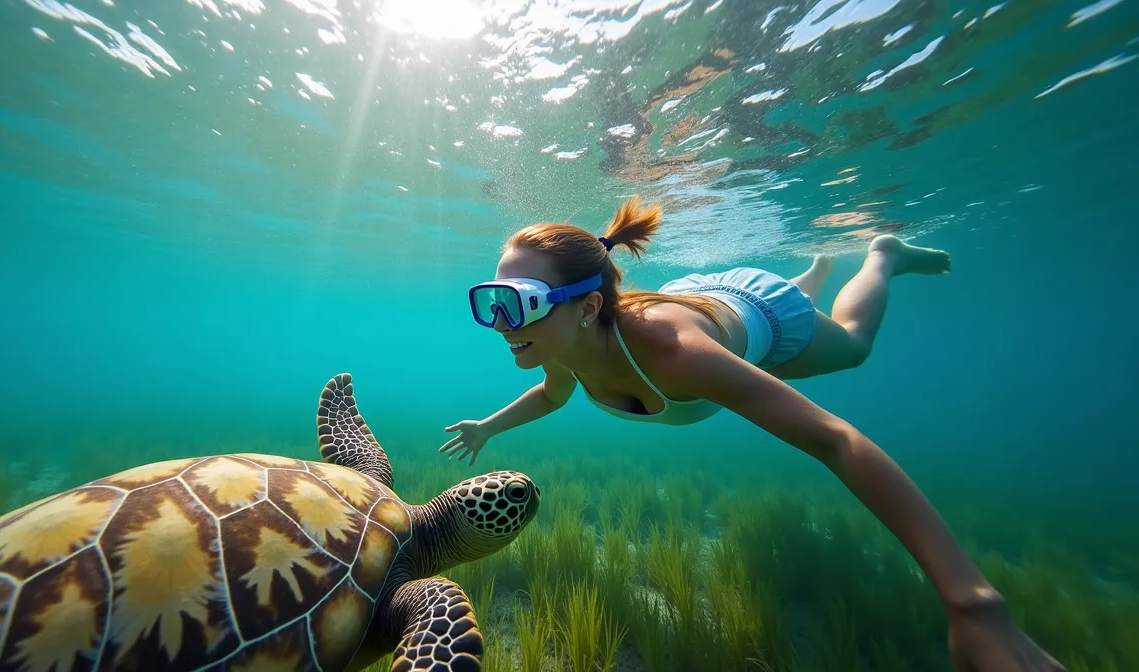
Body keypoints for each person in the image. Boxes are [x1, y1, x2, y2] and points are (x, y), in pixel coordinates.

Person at [439, 196, 1064, 671]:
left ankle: (882, 255)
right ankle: (811, 278)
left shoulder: (676, 356)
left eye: (518, 300)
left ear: (589, 305)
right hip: (699, 304)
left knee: (852, 345)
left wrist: (973, 603)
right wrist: (488, 427)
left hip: (759, 312)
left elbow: (837, 440)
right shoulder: (560, 340)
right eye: (492, 300)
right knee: (766, 356)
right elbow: (554, 392)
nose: (500, 322)